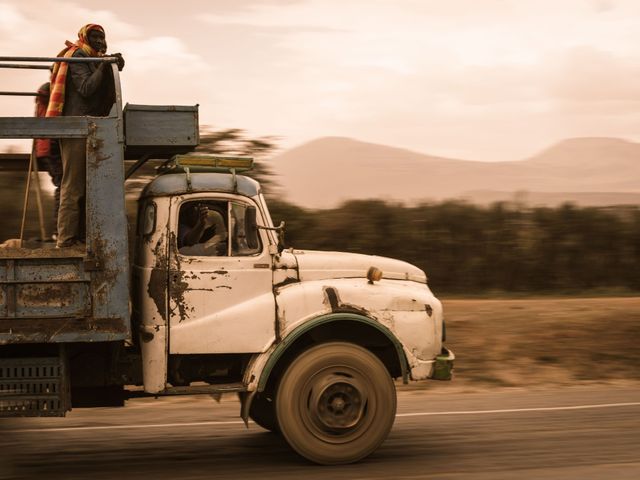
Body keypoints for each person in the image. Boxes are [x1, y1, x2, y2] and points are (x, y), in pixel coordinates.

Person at [46, 24, 125, 248]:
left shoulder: (92, 57)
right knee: (73, 186)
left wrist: (112, 65)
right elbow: (86, 88)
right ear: (85, 38)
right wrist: (104, 65)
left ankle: (80, 236)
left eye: (102, 37)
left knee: (88, 186)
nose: (100, 41)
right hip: (75, 126)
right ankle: (66, 240)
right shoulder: (79, 55)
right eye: (95, 37)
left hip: (90, 126)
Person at [35, 82, 62, 240]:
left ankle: (58, 230)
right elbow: (42, 93)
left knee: (63, 185)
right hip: (49, 145)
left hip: (47, 144)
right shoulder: (49, 89)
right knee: (63, 185)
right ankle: (58, 231)